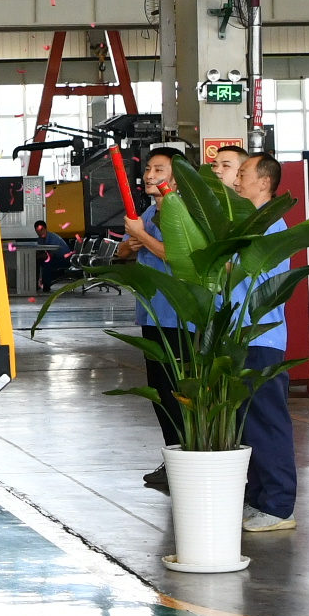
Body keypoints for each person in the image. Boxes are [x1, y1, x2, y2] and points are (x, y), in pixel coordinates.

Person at [233, 150, 301, 535]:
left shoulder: (270, 225)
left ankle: (278, 505)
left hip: (260, 336)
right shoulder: (248, 222)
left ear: (264, 183)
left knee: (267, 423)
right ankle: (259, 498)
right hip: (240, 335)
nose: (236, 180)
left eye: (242, 173)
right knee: (249, 425)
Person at [119, 142, 189, 464]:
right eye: (148, 169)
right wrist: (132, 243)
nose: (149, 175)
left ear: (176, 179)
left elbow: (176, 255)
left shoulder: (182, 212)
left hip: (180, 316)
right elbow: (122, 251)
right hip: (152, 314)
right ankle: (173, 457)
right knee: (160, 391)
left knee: (178, 390)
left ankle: (188, 454)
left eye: (159, 170)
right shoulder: (146, 214)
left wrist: (143, 238)